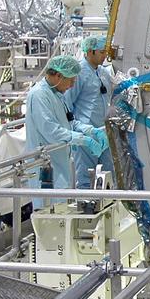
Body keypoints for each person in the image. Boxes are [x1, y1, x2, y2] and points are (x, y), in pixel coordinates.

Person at [26, 55, 100, 205]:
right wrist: (82, 139)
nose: (72, 85)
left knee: (60, 207)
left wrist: (91, 130)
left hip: (59, 163)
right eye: (71, 80)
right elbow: (51, 131)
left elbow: (69, 121)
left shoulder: (57, 94)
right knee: (48, 210)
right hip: (46, 166)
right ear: (58, 76)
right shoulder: (39, 95)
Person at [64, 35, 114, 189]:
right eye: (102, 52)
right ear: (90, 52)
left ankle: (106, 202)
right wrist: (76, 130)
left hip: (104, 133)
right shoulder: (79, 73)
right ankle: (86, 201)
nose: (105, 56)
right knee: (86, 177)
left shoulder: (103, 72)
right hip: (86, 133)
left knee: (108, 176)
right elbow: (67, 104)